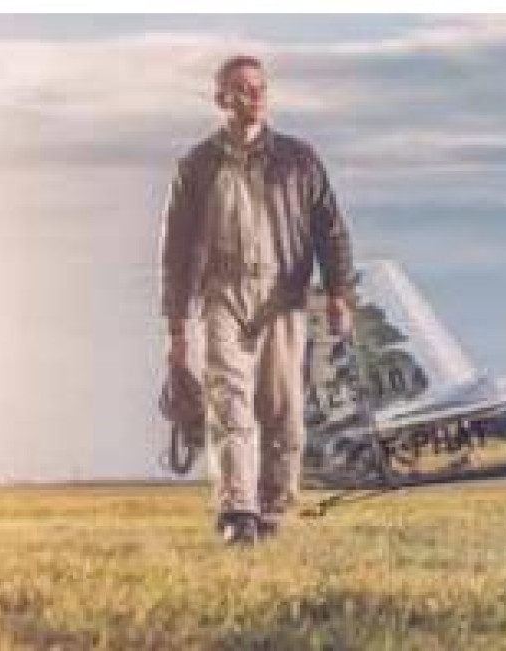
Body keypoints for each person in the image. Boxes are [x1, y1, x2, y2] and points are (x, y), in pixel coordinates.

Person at [160, 55, 355, 545]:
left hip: (282, 295)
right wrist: (178, 326)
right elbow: (175, 249)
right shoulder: (197, 165)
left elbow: (330, 229)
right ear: (222, 98)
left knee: (284, 408)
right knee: (229, 403)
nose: (256, 97)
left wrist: (338, 293)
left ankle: (273, 505)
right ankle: (238, 510)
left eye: (261, 88)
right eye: (244, 89)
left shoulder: (299, 159)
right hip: (220, 293)